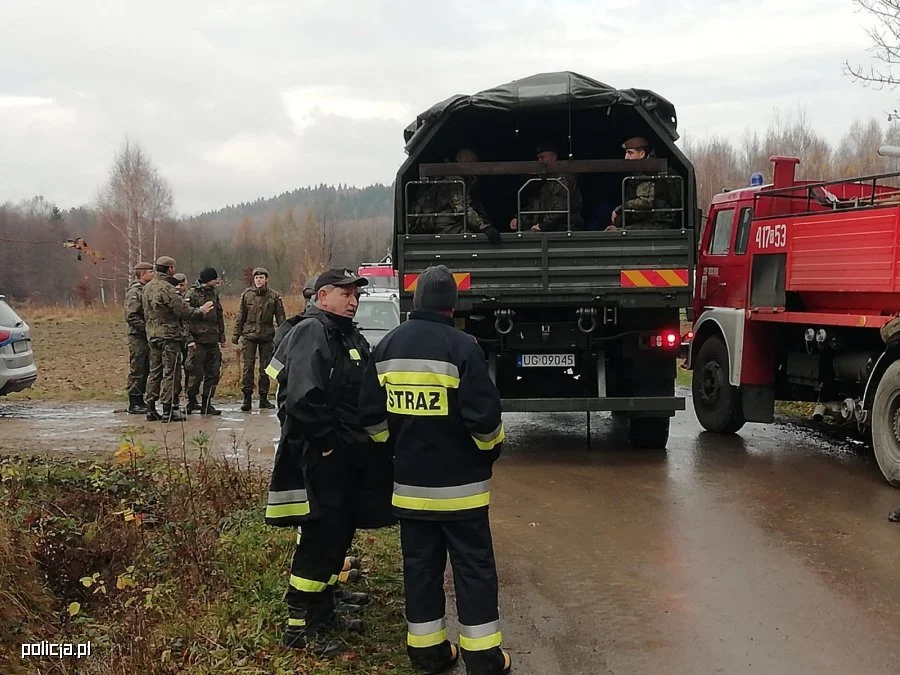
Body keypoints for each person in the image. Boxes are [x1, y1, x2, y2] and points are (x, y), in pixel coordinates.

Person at [359, 265, 511, 675]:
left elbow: (371, 418)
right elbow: (484, 421)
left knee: (421, 570)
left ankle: (427, 654)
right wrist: (489, 453)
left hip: (409, 488)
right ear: (452, 304)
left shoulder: (387, 346)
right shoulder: (462, 347)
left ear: (415, 299)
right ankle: (483, 660)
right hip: (463, 492)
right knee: (474, 570)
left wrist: (392, 451)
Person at [265, 268, 394, 657]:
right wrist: (325, 446)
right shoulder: (312, 332)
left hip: (346, 458)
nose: (353, 300)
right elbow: (303, 398)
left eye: (356, 293)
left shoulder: (345, 333)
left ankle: (326, 604)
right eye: (345, 293)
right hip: (323, 459)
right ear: (322, 296)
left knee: (337, 533)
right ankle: (301, 626)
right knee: (320, 538)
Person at [143, 256, 214, 422]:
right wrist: (201, 310)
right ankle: (168, 409)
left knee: (154, 372)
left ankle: (150, 408)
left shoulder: (147, 287)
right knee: (171, 372)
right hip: (169, 336)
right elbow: (183, 310)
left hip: (152, 334)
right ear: (169, 269)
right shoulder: (167, 288)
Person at [408, 149, 502, 244]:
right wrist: (484, 227)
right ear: (465, 164)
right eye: (473, 164)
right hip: (445, 224)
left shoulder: (453, 176)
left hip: (447, 222)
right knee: (477, 240)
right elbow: (462, 208)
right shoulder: (454, 181)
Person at [233, 267, 286, 412]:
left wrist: (284, 336)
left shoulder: (274, 296)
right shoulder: (247, 295)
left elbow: (281, 317)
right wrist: (235, 335)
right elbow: (240, 316)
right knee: (248, 367)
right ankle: (247, 398)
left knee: (266, 369)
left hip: (267, 336)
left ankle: (263, 398)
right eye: (256, 278)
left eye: (261, 278)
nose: (259, 280)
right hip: (249, 335)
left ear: (266, 280)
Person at [510, 140, 583, 232]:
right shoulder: (547, 180)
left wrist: (543, 225)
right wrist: (520, 219)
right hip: (554, 228)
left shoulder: (562, 179)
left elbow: (560, 208)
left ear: (554, 157)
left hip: (565, 228)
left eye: (542, 157)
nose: (539, 161)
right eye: (538, 158)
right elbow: (538, 205)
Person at [607, 136, 676, 231]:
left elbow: (645, 202)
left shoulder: (648, 171)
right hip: (652, 221)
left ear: (642, 154)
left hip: (657, 223)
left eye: (630, 153)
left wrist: (620, 209)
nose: (626, 157)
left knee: (613, 233)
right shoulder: (645, 169)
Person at [185, 267, 226, 416]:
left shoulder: (214, 293)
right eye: (214, 279)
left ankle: (207, 403)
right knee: (195, 374)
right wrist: (189, 339)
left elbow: (219, 314)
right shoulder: (192, 294)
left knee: (213, 373)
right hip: (197, 341)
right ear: (209, 279)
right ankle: (191, 400)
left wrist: (222, 336)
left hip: (212, 340)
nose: (217, 282)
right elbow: (186, 318)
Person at [124, 261, 154, 414]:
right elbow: (131, 316)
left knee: (146, 368)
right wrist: (147, 329)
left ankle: (141, 399)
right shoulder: (135, 291)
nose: (153, 274)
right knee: (138, 368)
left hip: (146, 336)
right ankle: (134, 401)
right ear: (142, 273)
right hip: (138, 337)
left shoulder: (146, 290)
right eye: (150, 272)